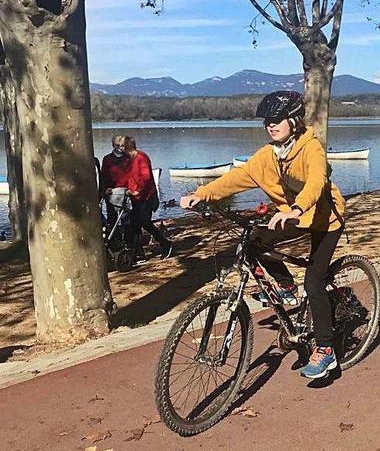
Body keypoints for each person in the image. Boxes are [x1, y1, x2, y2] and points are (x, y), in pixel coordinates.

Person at [179, 90, 346, 380]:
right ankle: (285, 286)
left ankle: (326, 350)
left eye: (277, 119)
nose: (271, 124)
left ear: (294, 120)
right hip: (292, 215)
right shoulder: (268, 155)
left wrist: (296, 208)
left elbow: (317, 182)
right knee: (254, 241)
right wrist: (201, 194)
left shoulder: (311, 148)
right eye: (267, 120)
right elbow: (236, 178)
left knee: (315, 282)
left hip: (323, 218)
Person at [123, 137, 172, 259]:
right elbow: (127, 177)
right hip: (136, 198)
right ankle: (137, 252)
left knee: (145, 222)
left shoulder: (141, 157)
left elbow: (145, 178)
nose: (120, 149)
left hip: (147, 196)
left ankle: (165, 244)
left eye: (122, 146)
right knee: (134, 223)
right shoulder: (129, 160)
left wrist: (137, 191)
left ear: (127, 147)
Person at [101, 135, 132, 226]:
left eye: (122, 145)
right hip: (111, 191)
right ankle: (114, 239)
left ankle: (127, 239)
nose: (120, 148)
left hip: (126, 192)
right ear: (113, 145)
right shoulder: (107, 159)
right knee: (112, 217)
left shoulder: (128, 158)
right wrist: (105, 189)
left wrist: (131, 189)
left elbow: (132, 175)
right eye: (117, 145)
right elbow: (103, 176)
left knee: (126, 218)